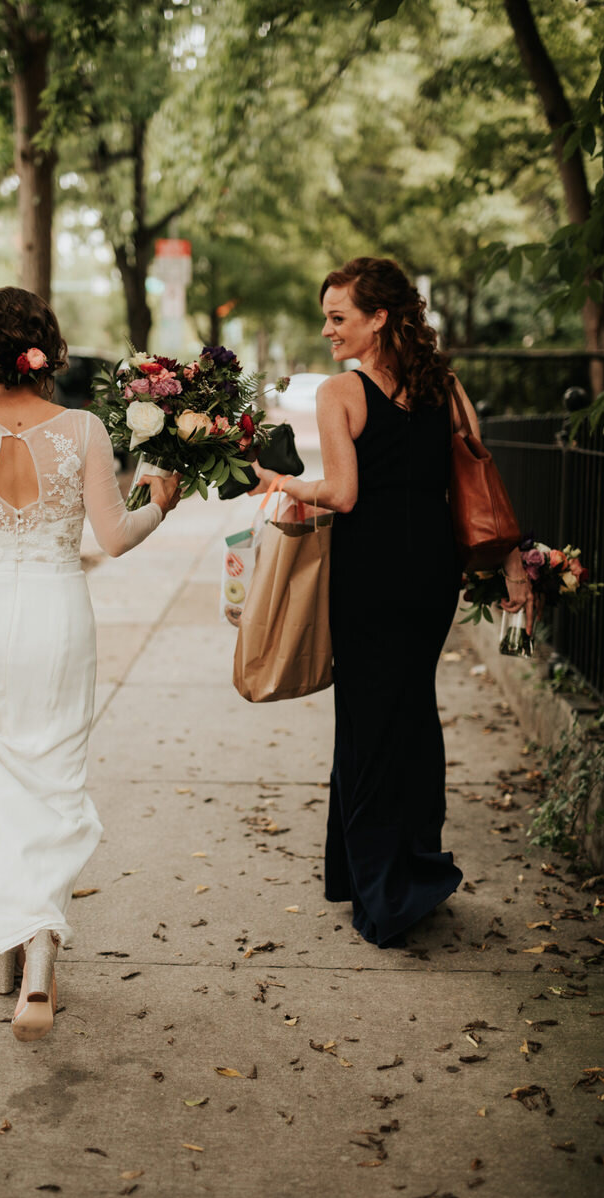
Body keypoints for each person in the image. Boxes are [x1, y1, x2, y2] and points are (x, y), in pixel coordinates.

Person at [0, 286, 180, 1038]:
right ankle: (37, 962)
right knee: (51, 777)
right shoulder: (81, 430)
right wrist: (161, 507)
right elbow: (113, 539)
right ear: (48, 346)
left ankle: (4, 946)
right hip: (56, 616)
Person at [252, 257, 531, 947]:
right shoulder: (442, 380)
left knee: (368, 719)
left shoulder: (340, 393)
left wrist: (283, 484)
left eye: (338, 317)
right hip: (431, 570)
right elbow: (474, 461)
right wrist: (514, 564)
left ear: (379, 319)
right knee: (409, 712)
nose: (327, 331)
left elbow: (343, 494)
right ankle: (389, 869)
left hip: (370, 569)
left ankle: (384, 895)